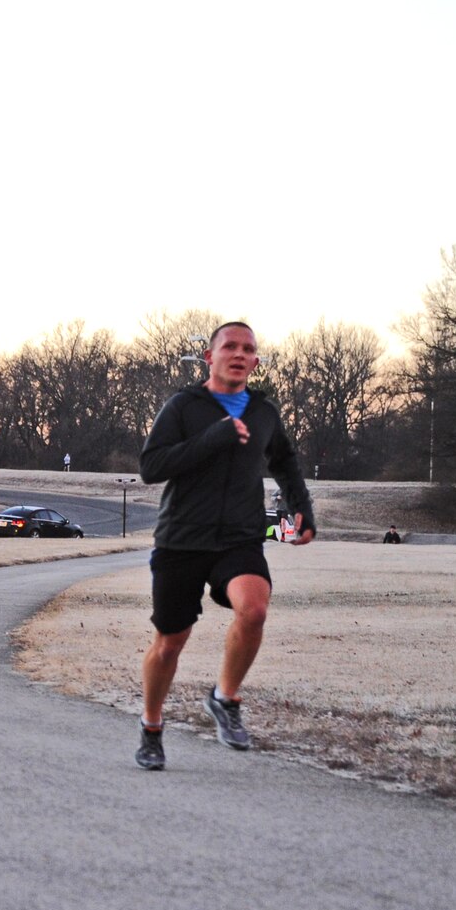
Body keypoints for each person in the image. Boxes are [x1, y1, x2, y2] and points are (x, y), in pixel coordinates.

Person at [134, 321, 315, 770]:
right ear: (209, 357)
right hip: (181, 539)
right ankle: (152, 727)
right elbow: (152, 466)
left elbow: (285, 462)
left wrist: (301, 509)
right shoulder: (182, 407)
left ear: (255, 361)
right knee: (170, 643)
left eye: (248, 348)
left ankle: (225, 698)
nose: (239, 353)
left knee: (254, 609)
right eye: (229, 346)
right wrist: (212, 438)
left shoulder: (264, 411)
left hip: (239, 537)